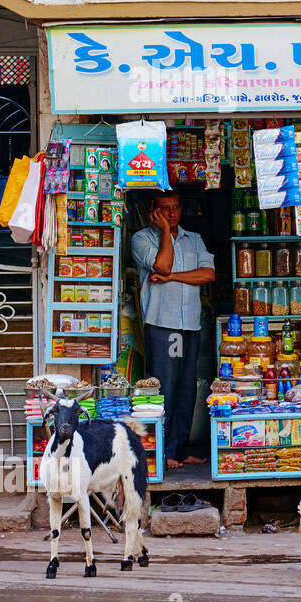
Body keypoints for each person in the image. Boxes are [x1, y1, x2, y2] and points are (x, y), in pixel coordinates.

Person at [131, 192, 215, 470]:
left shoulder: (195, 239)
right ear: (152, 210)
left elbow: (208, 274)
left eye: (176, 208)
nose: (172, 213)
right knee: (163, 390)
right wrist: (166, 231)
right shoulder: (142, 239)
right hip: (162, 325)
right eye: (165, 209)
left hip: (190, 324)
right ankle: (162, 452)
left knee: (187, 390)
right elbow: (162, 264)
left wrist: (172, 278)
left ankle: (177, 451)